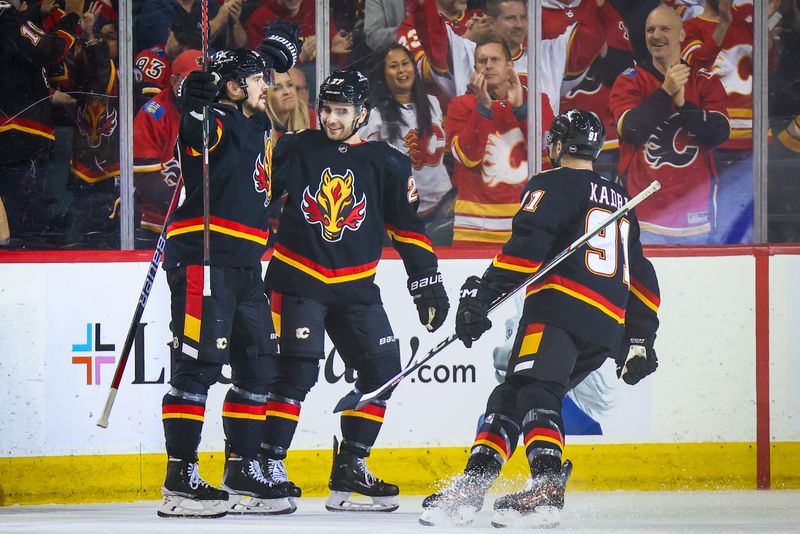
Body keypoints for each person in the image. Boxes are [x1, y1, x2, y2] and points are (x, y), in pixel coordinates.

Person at [418, 109, 661, 529]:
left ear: (559, 146)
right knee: (510, 396)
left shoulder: (550, 184)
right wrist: (639, 338)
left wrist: (483, 292)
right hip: (603, 327)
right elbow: (642, 277)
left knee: (536, 393)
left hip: (558, 309)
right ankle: (475, 485)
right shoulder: (622, 201)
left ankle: (547, 484)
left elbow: (526, 248)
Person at [260, 67, 450, 513]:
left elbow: (407, 228)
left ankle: (350, 469)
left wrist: (427, 282)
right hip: (297, 280)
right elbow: (256, 197)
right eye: (326, 109)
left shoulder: (387, 161)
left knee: (383, 371)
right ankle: (267, 467)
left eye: (342, 111)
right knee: (295, 375)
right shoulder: (294, 147)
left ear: (362, 113)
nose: (331, 119)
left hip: (356, 288)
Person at [157, 22, 301, 518]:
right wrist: (190, 100)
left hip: (243, 266)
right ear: (236, 88)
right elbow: (194, 136)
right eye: (260, 80)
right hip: (204, 259)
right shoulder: (215, 118)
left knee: (259, 366)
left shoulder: (259, 123)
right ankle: (179, 480)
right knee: (198, 367)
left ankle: (240, 469)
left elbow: (257, 70)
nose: (271, 85)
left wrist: (268, 55)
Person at [609, 4, 730, 244]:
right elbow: (632, 130)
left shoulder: (703, 79)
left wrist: (683, 104)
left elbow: (718, 132)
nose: (656, 35)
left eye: (665, 29)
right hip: (643, 218)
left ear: (682, 35)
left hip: (696, 218)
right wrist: (666, 92)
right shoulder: (629, 80)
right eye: (650, 30)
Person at [0, 0, 82, 246]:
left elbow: (17, 67)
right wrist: (72, 17)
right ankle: (27, 254)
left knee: (20, 205)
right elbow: (49, 48)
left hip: (13, 129)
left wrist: (36, 13)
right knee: (26, 212)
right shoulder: (7, 20)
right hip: (19, 130)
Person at [361, 43, 453, 244]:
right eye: (394, 66)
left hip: (442, 208)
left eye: (405, 63)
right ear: (383, 73)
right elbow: (365, 163)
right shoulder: (375, 114)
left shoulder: (432, 103)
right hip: (400, 213)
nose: (402, 70)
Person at [443, 35, 529, 245]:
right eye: (482, 61)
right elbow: (468, 157)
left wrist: (521, 110)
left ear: (510, 66)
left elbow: (546, 152)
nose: (488, 66)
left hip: (524, 222)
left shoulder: (536, 101)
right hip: (473, 227)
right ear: (475, 67)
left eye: (495, 60)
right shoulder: (460, 106)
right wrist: (482, 109)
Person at [132, 49, 203, 246]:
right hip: (155, 224)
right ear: (173, 81)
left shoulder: (214, 112)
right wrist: (192, 203)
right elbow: (145, 179)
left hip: (201, 224)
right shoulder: (153, 114)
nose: (200, 89)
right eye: (192, 81)